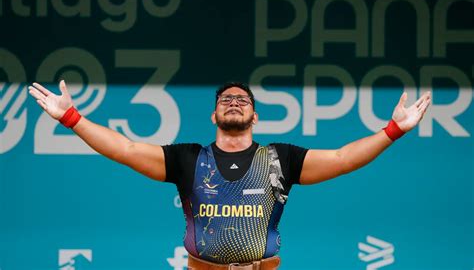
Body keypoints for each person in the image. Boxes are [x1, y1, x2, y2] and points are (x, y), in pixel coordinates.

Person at [28, 80, 431, 270]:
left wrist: (393, 130)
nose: (234, 103)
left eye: (243, 100)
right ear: (214, 115)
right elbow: (126, 149)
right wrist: (70, 117)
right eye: (226, 100)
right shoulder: (188, 159)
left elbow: (344, 158)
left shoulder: (281, 159)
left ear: (255, 116)